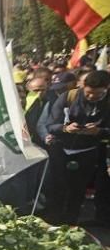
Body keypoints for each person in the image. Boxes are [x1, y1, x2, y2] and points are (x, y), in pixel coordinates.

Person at [39, 70, 110, 225]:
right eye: (89, 93)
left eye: (98, 94)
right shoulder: (68, 97)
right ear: (83, 86)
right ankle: (52, 220)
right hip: (61, 150)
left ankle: (70, 222)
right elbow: (51, 125)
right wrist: (66, 128)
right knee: (56, 187)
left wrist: (100, 131)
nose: (92, 97)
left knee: (77, 191)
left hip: (88, 153)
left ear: (107, 88)